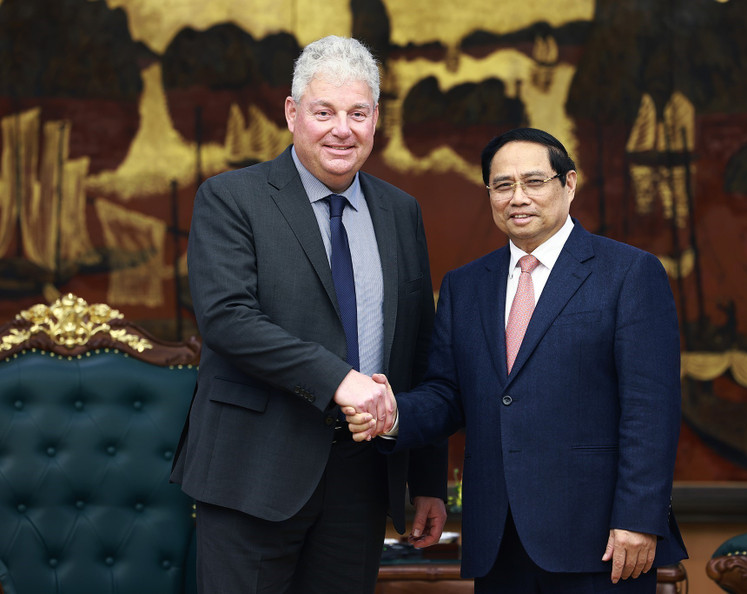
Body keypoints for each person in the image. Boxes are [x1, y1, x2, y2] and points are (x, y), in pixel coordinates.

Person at [346, 127, 688, 593]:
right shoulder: (466, 286)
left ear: (568, 184)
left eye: (534, 181)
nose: (517, 197)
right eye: (502, 185)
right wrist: (394, 415)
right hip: (498, 539)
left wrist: (638, 518)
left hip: (601, 539)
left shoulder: (628, 273)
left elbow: (651, 408)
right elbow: (447, 394)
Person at [171, 35, 448, 594]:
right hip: (253, 472)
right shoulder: (231, 198)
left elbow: (419, 348)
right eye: (324, 112)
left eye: (357, 113)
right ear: (293, 114)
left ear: (376, 120)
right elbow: (227, 319)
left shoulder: (400, 211)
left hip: (361, 480)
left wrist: (427, 480)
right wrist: (338, 380)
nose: (341, 129)